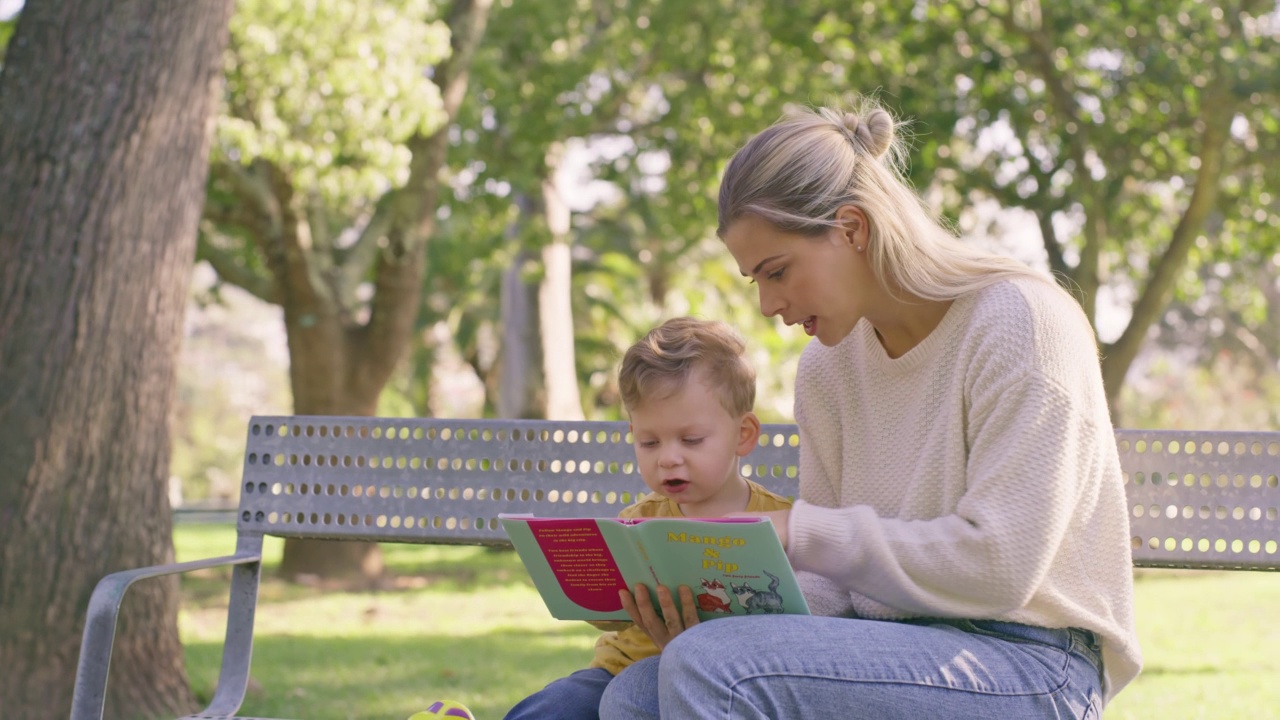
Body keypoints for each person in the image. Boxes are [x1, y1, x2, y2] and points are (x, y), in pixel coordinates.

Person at [599, 96, 1143, 719]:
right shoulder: (828, 367)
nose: (767, 306)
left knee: (713, 669)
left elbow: (1001, 568)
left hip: (1033, 663)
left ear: (852, 228)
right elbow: (832, 591)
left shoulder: (1021, 322)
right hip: (888, 647)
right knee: (637, 692)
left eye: (778, 271)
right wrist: (715, 613)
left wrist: (797, 533)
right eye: (757, 281)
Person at [504, 316, 794, 720]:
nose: (668, 457)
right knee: (552, 709)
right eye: (649, 441)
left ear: (743, 434)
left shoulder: (780, 522)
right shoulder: (636, 522)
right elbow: (612, 620)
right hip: (618, 669)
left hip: (726, 681)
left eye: (691, 440)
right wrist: (596, 604)